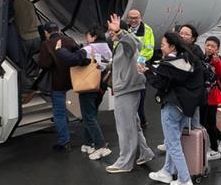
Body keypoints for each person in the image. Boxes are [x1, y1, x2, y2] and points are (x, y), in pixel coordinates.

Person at [145, 32, 206, 185]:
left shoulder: (169, 65)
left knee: (172, 144)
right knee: (175, 141)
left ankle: (185, 178)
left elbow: (159, 83)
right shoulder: (189, 60)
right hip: (186, 106)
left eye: (164, 44)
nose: (161, 46)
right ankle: (167, 171)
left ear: (172, 46)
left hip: (172, 105)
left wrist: (146, 71)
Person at [104, 14, 155, 173]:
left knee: (125, 127)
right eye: (110, 31)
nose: (110, 33)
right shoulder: (120, 45)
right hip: (129, 86)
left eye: (112, 31)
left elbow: (134, 43)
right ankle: (145, 152)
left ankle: (125, 162)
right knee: (133, 123)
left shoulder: (126, 43)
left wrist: (119, 32)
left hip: (127, 88)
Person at [55, 27, 113, 160]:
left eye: (87, 36)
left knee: (88, 117)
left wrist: (60, 50)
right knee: (92, 114)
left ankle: (101, 146)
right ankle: (89, 143)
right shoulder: (107, 48)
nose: (86, 39)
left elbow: (72, 59)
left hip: (88, 87)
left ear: (93, 36)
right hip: (100, 86)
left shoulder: (89, 49)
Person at [37, 21, 79, 151]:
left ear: (46, 33)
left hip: (57, 83)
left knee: (59, 112)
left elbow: (44, 64)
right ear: (59, 30)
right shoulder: (70, 40)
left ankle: (64, 141)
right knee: (63, 109)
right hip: (71, 80)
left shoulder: (46, 44)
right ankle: (65, 134)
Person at [202, 36, 221, 160]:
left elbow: (220, 73)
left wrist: (216, 61)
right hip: (207, 96)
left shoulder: (216, 60)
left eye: (212, 46)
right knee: (208, 122)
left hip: (212, 97)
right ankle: (219, 143)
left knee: (208, 123)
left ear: (217, 49)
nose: (209, 48)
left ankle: (217, 146)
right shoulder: (205, 58)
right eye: (207, 45)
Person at [8, 0, 40, 100]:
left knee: (22, 64)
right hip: (36, 37)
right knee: (32, 64)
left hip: (25, 37)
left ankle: (28, 89)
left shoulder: (13, 4)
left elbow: (8, 19)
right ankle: (34, 84)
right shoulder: (29, 3)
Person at [126, 10, 154, 133]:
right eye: (131, 18)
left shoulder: (147, 30)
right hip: (127, 64)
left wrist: (138, 60)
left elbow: (149, 50)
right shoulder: (125, 29)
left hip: (141, 63)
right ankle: (132, 119)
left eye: (136, 18)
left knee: (141, 91)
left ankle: (142, 119)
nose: (133, 20)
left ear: (140, 18)